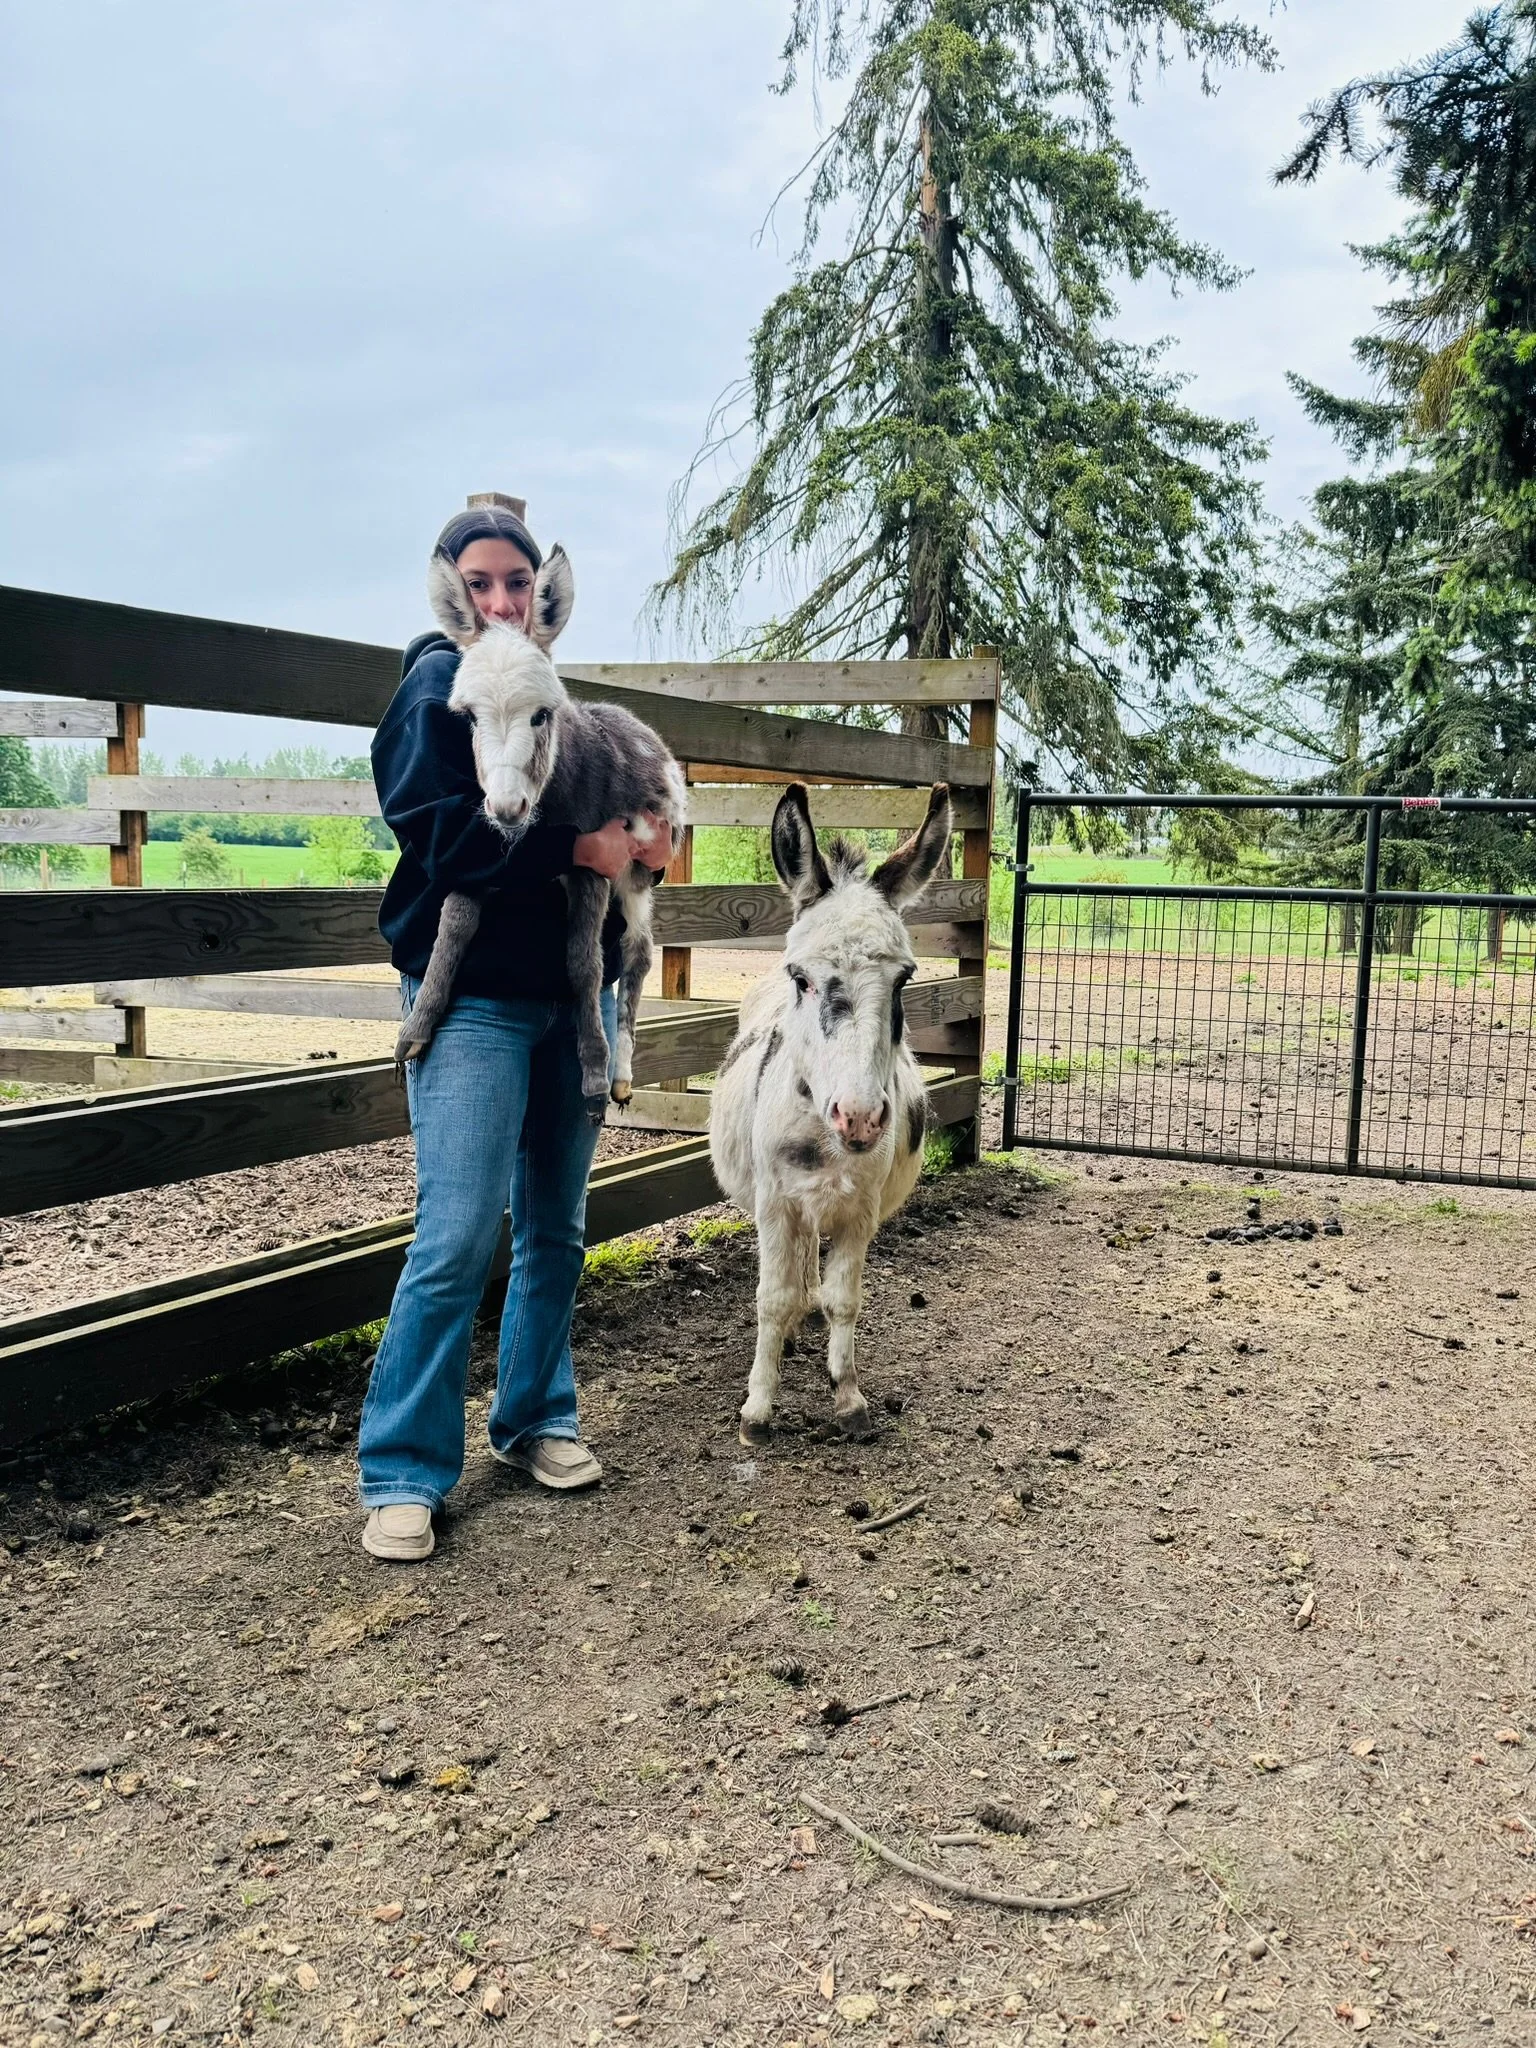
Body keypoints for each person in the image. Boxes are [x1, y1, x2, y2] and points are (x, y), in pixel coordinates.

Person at [358, 499, 663, 1562]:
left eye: (517, 584)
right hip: (478, 995)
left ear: (543, 595)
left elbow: (617, 814)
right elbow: (440, 840)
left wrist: (642, 845)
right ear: (452, 590)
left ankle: (536, 1414)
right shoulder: (431, 695)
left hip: (569, 996)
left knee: (557, 1223)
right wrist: (576, 854)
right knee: (453, 1232)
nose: (500, 600)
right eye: (480, 583)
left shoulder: (552, 700)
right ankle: (402, 1465)